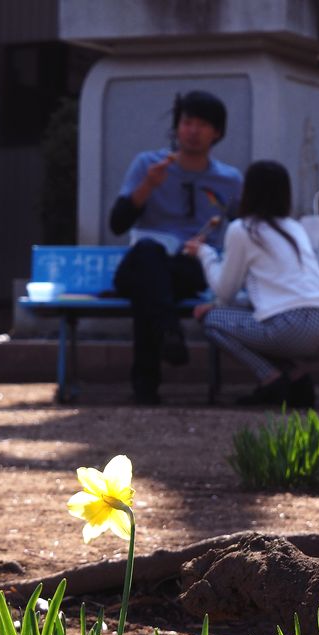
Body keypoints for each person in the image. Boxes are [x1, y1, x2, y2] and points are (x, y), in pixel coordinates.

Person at [110, 91, 243, 405]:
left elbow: (245, 228)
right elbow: (117, 223)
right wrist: (148, 187)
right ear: (177, 127)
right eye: (187, 122)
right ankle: (169, 331)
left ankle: (146, 384)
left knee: (151, 287)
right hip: (146, 259)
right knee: (148, 258)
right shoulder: (148, 164)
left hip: (191, 266)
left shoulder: (229, 179)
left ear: (217, 133)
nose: (192, 131)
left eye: (202, 125)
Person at [183, 160, 319, 407]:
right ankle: (297, 379)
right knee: (258, 326)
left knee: (212, 321)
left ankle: (272, 380)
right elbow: (276, 293)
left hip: (290, 326)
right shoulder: (295, 228)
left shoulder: (243, 229)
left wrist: (204, 253)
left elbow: (225, 291)